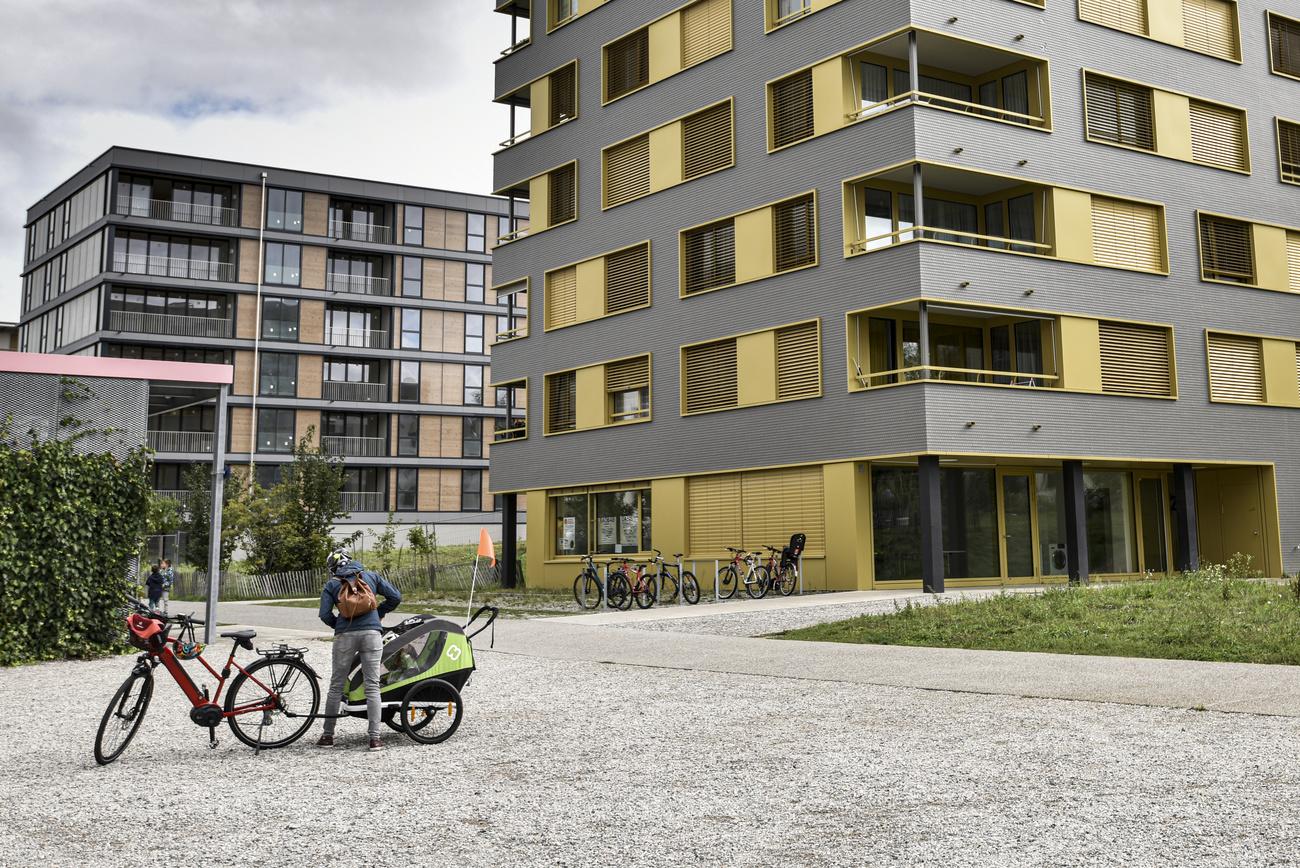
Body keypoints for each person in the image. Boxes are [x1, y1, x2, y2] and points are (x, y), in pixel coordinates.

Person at [317, 548, 402, 751]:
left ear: (334, 567)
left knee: (336, 686)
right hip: (372, 634)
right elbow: (395, 597)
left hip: (344, 636)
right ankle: (375, 739)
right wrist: (378, 613)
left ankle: (328, 736)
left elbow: (324, 614)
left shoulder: (332, 584)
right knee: (372, 685)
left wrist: (339, 624)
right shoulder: (370, 576)